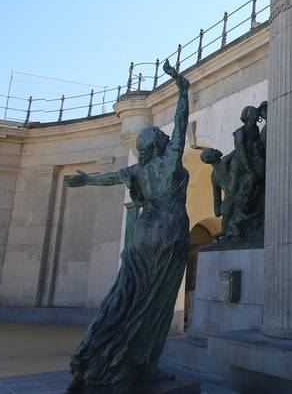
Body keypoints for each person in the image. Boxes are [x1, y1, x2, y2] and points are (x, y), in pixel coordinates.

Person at [64, 64, 191, 393]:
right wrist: (183, 91)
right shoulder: (169, 160)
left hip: (142, 233)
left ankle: (92, 359)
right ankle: (135, 366)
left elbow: (109, 178)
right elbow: (181, 123)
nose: (168, 138)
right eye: (163, 138)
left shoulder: (136, 170)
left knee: (125, 296)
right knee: (154, 303)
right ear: (159, 145)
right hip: (169, 232)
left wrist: (87, 179)